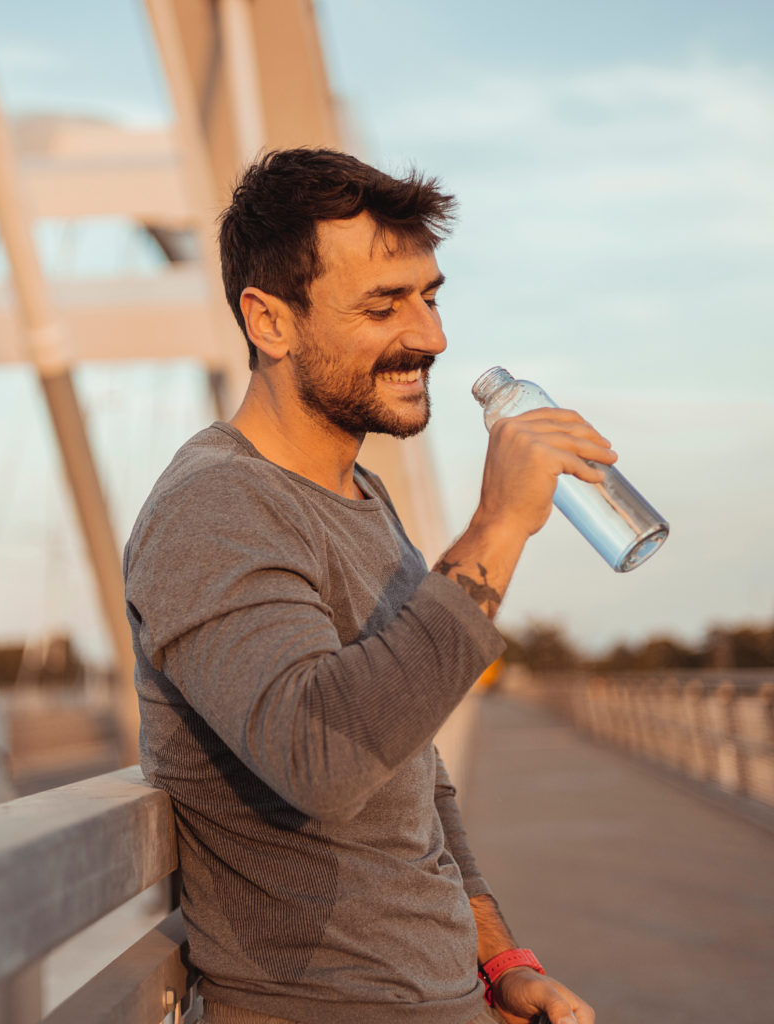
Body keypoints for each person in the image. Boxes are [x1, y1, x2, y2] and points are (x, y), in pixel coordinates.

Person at [124, 149, 601, 1024]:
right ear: (269, 321)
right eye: (384, 305)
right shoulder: (217, 504)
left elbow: (412, 771)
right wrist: (498, 528)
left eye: (429, 295)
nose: (431, 336)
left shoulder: (362, 498)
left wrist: (501, 965)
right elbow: (325, 758)